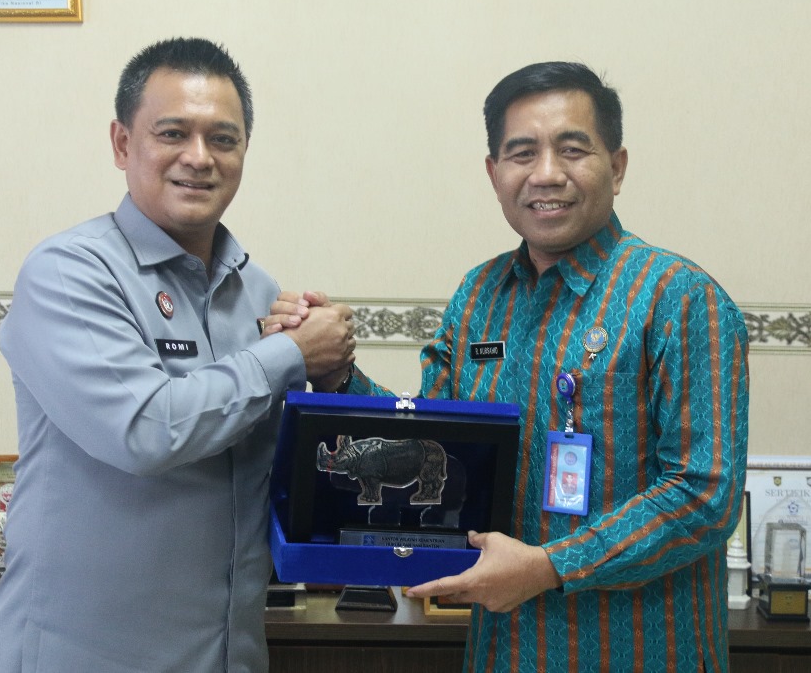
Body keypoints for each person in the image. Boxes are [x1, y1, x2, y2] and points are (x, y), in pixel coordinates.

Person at [272, 62, 749, 672]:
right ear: (494, 173)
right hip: (503, 652)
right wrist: (335, 373)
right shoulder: (480, 295)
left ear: (618, 166)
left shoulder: (679, 298)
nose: (546, 173)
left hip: (639, 652)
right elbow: (428, 437)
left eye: (572, 149)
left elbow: (704, 495)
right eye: (522, 153)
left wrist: (549, 567)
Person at [0, 37, 356, 673]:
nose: (199, 158)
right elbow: (145, 431)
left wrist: (330, 372)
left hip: (228, 653)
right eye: (173, 133)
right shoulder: (69, 272)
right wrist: (290, 353)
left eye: (223, 139)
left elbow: (284, 466)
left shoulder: (258, 290)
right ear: (122, 143)